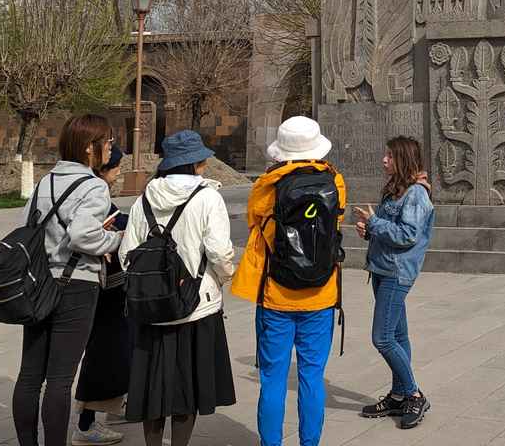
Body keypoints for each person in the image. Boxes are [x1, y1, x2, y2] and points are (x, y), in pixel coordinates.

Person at [230, 116, 345, 446]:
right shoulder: (335, 182)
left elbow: (255, 224)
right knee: (311, 376)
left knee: (273, 378)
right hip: (321, 295)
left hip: (275, 295)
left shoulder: (266, 187)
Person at [119, 130, 237, 446]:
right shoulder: (208, 197)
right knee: (188, 386)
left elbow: (126, 253)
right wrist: (225, 277)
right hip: (195, 305)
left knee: (151, 388)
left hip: (151, 307)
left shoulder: (144, 198)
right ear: (197, 162)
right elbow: (219, 251)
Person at [12, 115, 123, 446]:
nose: (110, 149)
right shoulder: (94, 186)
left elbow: (25, 228)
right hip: (76, 287)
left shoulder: (43, 183)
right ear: (91, 148)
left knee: (30, 375)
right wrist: (115, 240)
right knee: (60, 380)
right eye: (108, 143)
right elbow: (82, 236)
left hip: (38, 284)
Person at [353, 136, 435, 430]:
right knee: (398, 336)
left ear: (403, 159)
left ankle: (414, 393)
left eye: (389, 156)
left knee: (383, 338)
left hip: (397, 273)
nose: (384, 160)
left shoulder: (416, 194)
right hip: (382, 268)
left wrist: (375, 223)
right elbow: (393, 231)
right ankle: (399, 395)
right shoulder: (396, 189)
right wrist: (370, 231)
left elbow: (407, 235)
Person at [72, 144, 133, 445]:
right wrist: (122, 231)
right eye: (117, 168)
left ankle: (113, 403)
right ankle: (85, 424)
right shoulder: (94, 195)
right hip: (98, 289)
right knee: (102, 353)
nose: (119, 174)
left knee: (117, 348)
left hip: (105, 288)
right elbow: (91, 234)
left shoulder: (81, 191)